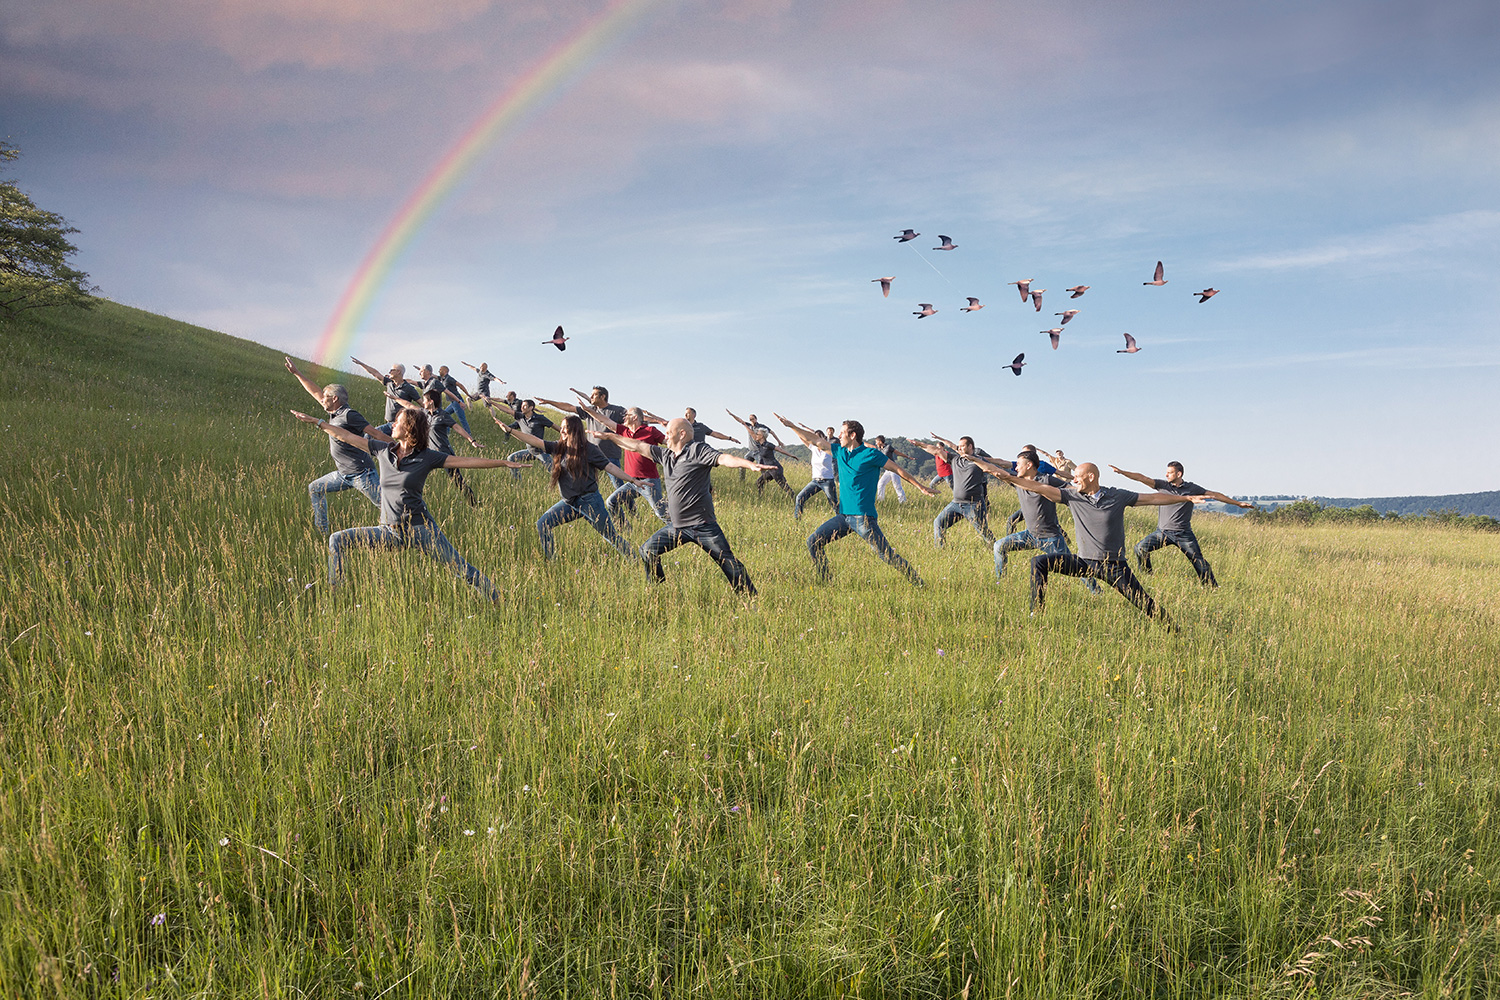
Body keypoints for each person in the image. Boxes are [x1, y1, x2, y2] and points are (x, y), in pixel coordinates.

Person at [289, 405, 528, 599]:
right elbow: (348, 437)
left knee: (461, 569)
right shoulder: (383, 450)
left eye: (397, 421)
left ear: (410, 427)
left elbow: (465, 461)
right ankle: (336, 592)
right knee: (337, 540)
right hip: (389, 532)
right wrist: (318, 423)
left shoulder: (427, 457)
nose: (392, 424)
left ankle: (498, 597)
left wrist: (503, 462)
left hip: (421, 530)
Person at [988, 461, 1211, 621]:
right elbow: (1039, 487)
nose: (1072, 480)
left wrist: (1186, 497)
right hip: (1084, 563)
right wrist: (1009, 477)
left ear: (1091, 477)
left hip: (1114, 566)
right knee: (1039, 562)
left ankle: (1174, 630)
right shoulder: (1072, 496)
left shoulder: (1117, 496)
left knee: (1146, 604)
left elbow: (1152, 498)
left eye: (1077, 477)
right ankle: (1036, 613)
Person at [601, 418, 776, 595]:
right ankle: (658, 590)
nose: (665, 437)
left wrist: (749, 464)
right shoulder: (666, 455)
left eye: (669, 433)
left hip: (703, 526)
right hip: (677, 527)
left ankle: (750, 598)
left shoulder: (697, 450)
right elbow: (636, 446)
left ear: (682, 434)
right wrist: (610, 437)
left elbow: (723, 458)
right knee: (647, 551)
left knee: (729, 563)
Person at [777, 414, 936, 586]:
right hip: (844, 517)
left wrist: (921, 487)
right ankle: (826, 581)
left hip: (863, 518)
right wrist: (791, 426)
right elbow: (816, 441)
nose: (839, 436)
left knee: (887, 555)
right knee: (813, 542)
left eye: (842, 433)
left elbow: (898, 469)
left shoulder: (871, 454)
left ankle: (919, 584)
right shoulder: (841, 452)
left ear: (852, 435)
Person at [497, 413, 639, 561]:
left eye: (566, 428)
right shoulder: (559, 447)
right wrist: (510, 431)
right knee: (543, 524)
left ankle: (635, 560)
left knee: (610, 536)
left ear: (575, 430)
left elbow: (609, 466)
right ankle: (553, 562)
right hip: (569, 503)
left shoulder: (589, 449)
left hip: (590, 502)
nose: (562, 430)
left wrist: (632, 480)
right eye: (562, 427)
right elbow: (535, 441)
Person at [968, 448, 1099, 594]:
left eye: (1018, 464)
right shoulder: (1017, 480)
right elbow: (994, 470)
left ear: (1029, 465)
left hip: (1051, 538)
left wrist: (1093, 497)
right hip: (1029, 535)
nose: (1015, 467)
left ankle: (1096, 591)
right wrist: (974, 459)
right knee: (999, 546)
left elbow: (1072, 490)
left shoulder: (1047, 480)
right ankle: (1001, 582)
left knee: (1076, 568)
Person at [284, 357, 389, 533]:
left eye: (325, 397)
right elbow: (315, 391)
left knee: (387, 506)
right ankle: (323, 531)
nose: (322, 399)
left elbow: (375, 434)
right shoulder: (333, 411)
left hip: (362, 474)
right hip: (343, 474)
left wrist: (401, 448)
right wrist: (297, 374)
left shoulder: (349, 415)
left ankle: (407, 531)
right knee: (315, 488)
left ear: (334, 398)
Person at [1109, 461, 1253, 586]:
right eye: (1166, 472)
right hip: (1162, 533)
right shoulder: (1162, 485)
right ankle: (1147, 577)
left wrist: (1238, 503)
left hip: (1183, 534)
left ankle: (1211, 587)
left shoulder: (1192, 488)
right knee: (1140, 548)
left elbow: (1214, 495)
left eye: (1170, 472)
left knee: (1198, 561)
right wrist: (1122, 472)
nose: (1166, 475)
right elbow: (1141, 478)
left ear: (1179, 474)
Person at [572, 399, 669, 526]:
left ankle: (679, 532)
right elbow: (605, 420)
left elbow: (668, 443)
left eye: (627, 415)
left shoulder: (651, 431)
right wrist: (588, 410)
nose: (623, 417)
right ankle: (625, 529)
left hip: (649, 482)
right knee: (611, 502)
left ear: (635, 417)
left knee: (661, 513)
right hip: (632, 482)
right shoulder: (624, 431)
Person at [387, 388, 483, 506]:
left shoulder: (443, 416)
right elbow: (409, 405)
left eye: (425, 400)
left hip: (444, 454)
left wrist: (472, 440)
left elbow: (457, 428)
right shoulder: (423, 413)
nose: (423, 402)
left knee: (458, 481)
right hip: (428, 454)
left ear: (431, 401)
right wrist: (395, 398)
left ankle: (474, 503)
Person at [536, 386, 628, 492]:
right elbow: (568, 407)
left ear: (603, 396)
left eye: (594, 395)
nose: (591, 397)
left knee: (619, 487)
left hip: (610, 455)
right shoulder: (588, 410)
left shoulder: (616, 410)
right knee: (587, 485)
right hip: (590, 454)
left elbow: (632, 420)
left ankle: (630, 508)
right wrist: (549, 402)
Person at [926, 434, 996, 547]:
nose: (960, 448)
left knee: (984, 532)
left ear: (970, 447)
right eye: (959, 446)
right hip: (956, 503)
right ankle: (940, 549)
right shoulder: (956, 459)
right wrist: (920, 444)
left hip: (974, 504)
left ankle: (997, 548)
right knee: (938, 523)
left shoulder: (979, 460)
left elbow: (995, 467)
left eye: (962, 446)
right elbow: (939, 450)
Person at [485, 397, 556, 478]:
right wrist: (492, 403)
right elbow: (507, 410)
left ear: (531, 408)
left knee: (554, 473)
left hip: (541, 451)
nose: (522, 407)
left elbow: (555, 427)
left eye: (525, 406)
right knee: (511, 459)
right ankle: (517, 481)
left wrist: (568, 435)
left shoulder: (540, 418)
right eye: (522, 405)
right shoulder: (520, 417)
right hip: (529, 451)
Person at [350, 356, 421, 432]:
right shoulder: (389, 383)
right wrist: (361, 364)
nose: (389, 372)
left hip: (400, 423)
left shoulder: (409, 388)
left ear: (398, 372)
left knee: (372, 435)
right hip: (389, 422)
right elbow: (375, 373)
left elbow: (421, 403)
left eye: (392, 370)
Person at [794, 426, 839, 520]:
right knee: (799, 498)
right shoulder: (813, 448)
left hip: (827, 481)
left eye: (816, 438)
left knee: (834, 504)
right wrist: (793, 427)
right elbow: (803, 437)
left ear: (822, 439)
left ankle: (842, 521)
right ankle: (797, 520)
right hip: (815, 481)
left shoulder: (828, 449)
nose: (814, 440)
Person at [726, 410, 783, 480]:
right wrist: (732, 415)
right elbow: (740, 421)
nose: (751, 420)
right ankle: (741, 480)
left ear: (756, 419)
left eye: (752, 419)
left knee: (761, 468)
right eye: (750, 419)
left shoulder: (761, 427)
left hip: (758, 451)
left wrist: (779, 441)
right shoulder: (749, 426)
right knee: (742, 465)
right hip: (751, 451)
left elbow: (772, 432)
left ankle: (765, 480)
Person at [745, 426, 798, 498]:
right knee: (759, 482)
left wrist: (791, 455)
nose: (756, 435)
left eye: (758, 434)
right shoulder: (759, 444)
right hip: (770, 470)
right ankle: (761, 498)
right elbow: (752, 434)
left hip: (776, 469)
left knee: (784, 486)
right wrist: (744, 424)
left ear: (762, 436)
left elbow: (780, 450)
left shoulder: (768, 445)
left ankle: (795, 498)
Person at [873, 435, 914, 503]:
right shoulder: (879, 450)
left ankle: (903, 501)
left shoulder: (888, 447)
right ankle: (880, 500)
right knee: (880, 484)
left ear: (880, 442)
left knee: (897, 485)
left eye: (876, 442)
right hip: (887, 471)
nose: (876, 443)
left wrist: (908, 457)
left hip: (894, 470)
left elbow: (897, 453)